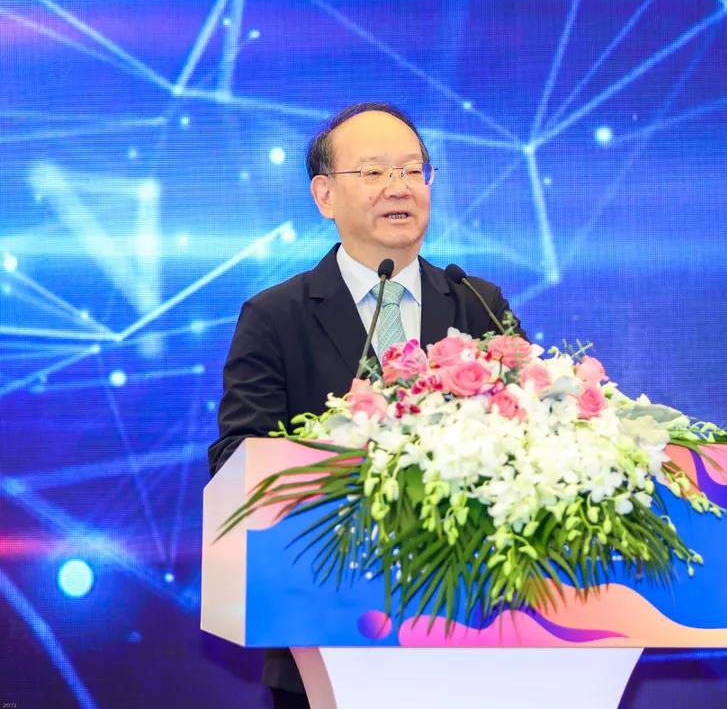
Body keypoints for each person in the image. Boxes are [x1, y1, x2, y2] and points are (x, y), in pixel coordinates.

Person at [207, 102, 522, 709]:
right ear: (324, 195)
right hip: (324, 636)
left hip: (471, 634)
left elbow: (531, 434)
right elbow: (235, 459)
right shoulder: (276, 316)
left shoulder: (478, 304)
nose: (398, 188)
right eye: (373, 172)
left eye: (412, 170)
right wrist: (342, 455)